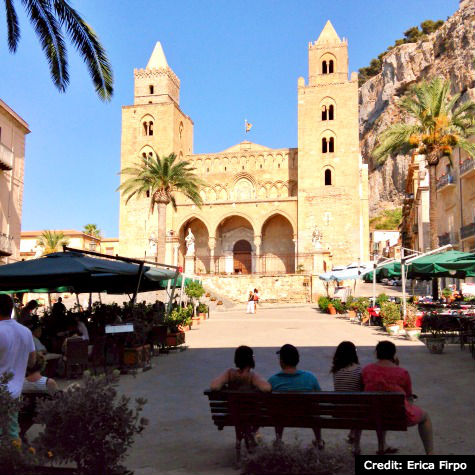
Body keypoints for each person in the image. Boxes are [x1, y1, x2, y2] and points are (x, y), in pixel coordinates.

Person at [362, 341, 434, 455]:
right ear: (394, 355)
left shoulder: (367, 370)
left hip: (373, 415)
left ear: (377, 353)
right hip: (399, 417)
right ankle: (430, 453)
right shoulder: (402, 372)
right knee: (425, 417)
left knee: (379, 406)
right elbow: (409, 397)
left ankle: (382, 446)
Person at [268, 344, 324, 449]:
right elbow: (320, 396)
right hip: (307, 417)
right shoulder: (310, 378)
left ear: (282, 362)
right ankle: (319, 440)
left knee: (278, 409)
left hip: (282, 418)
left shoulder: (273, 380)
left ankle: (278, 439)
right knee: (314, 407)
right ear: (297, 360)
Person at [0, 294, 36, 438]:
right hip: (15, 390)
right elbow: (32, 360)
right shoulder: (25, 331)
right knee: (12, 430)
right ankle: (14, 458)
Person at [331, 341, 363, 455]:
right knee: (360, 406)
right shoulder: (359, 370)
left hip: (339, 411)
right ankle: (356, 446)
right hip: (356, 411)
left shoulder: (336, 371)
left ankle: (352, 433)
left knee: (353, 404)